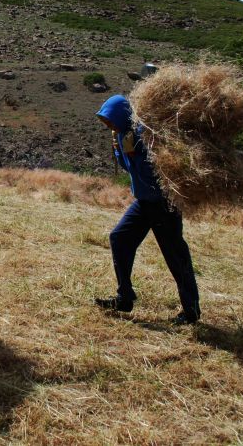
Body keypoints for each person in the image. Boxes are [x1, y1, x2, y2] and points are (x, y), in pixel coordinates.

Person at [94, 94, 200, 325]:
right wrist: (119, 150)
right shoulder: (124, 133)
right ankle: (125, 297)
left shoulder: (146, 133)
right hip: (143, 202)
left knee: (175, 255)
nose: (108, 125)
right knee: (119, 238)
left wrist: (135, 154)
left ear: (121, 115)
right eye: (105, 122)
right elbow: (128, 169)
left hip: (163, 203)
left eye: (110, 120)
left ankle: (191, 311)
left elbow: (157, 173)